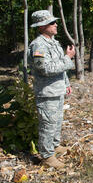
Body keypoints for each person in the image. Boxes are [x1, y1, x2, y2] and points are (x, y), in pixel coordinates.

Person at [28, 10, 75, 169]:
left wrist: (66, 83)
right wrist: (68, 58)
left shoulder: (54, 43)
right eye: (51, 23)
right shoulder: (38, 45)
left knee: (56, 122)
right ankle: (47, 156)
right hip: (47, 92)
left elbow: (61, 66)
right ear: (41, 27)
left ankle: (54, 146)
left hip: (57, 89)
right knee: (48, 124)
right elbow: (45, 69)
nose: (56, 25)